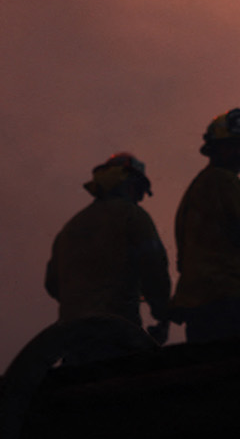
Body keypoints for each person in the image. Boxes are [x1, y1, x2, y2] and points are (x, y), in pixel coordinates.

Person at [44, 151, 172, 354]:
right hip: (117, 332)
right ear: (131, 185)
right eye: (138, 191)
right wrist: (162, 315)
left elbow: (52, 284)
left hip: (72, 337)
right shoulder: (133, 217)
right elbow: (154, 268)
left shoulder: (71, 227)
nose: (138, 198)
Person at [170, 109, 240, 343]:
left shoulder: (196, 189)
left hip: (198, 303)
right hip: (231, 298)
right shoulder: (223, 181)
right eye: (232, 146)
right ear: (215, 149)